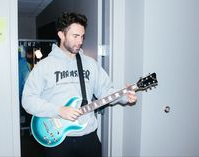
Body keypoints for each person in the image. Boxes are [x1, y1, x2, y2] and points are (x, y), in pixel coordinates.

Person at [22, 12, 137, 157]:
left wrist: (124, 96)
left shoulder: (90, 64)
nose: (80, 41)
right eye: (75, 36)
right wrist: (59, 110)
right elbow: (28, 100)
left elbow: (106, 91)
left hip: (88, 136)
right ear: (61, 35)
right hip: (58, 140)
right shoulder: (44, 66)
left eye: (82, 36)